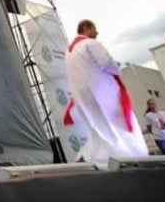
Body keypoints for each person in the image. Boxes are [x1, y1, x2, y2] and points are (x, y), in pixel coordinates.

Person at [63, 19, 148, 169]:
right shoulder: (90, 43)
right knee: (118, 121)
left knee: (98, 126)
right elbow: (106, 62)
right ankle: (130, 156)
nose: (97, 33)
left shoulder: (68, 53)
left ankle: (100, 159)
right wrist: (117, 67)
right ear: (86, 28)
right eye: (94, 29)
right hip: (101, 90)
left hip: (83, 96)